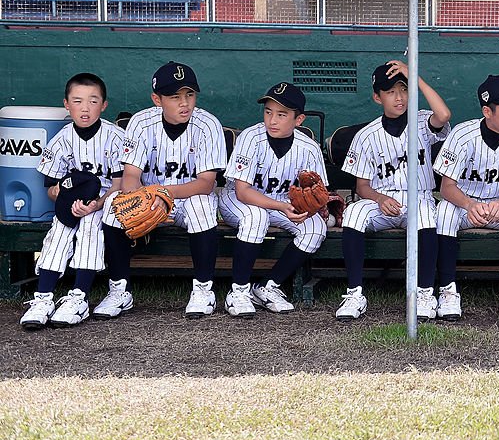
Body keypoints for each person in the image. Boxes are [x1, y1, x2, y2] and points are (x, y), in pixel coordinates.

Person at [96, 62, 227, 320]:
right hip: (149, 198)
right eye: (174, 97)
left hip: (188, 198)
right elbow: (131, 176)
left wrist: (163, 194)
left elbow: (206, 183)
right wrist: (139, 198)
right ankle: (119, 290)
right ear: (157, 99)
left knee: (203, 207)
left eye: (190, 95)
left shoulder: (208, 124)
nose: (184, 103)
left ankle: (203, 290)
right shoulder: (140, 122)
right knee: (113, 208)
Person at [336, 61, 451, 321]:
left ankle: (424, 292)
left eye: (404, 89)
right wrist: (379, 198)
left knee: (424, 213)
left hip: (419, 196)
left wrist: (414, 76)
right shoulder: (365, 136)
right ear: (377, 97)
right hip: (382, 200)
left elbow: (443, 115)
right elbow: (361, 186)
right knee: (354, 212)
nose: (399, 97)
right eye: (390, 91)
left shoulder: (422, 121)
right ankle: (354, 293)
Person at [19, 73, 125, 329]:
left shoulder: (115, 136)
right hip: (72, 202)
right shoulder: (61, 139)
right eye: (78, 101)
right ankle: (43, 298)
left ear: (104, 104)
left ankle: (79, 297)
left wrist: (96, 203)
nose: (85, 108)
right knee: (60, 230)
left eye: (93, 101)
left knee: (89, 226)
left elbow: (121, 184)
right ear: (67, 104)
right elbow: (51, 190)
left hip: (106, 201)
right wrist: (67, 199)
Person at [432, 74, 499, 321]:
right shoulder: (462, 135)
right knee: (443, 212)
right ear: (487, 111)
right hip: (465, 204)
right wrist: (470, 205)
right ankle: (448, 290)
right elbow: (446, 187)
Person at [217, 82, 328, 317]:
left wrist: (311, 206)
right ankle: (238, 291)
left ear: (299, 120)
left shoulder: (308, 148)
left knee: (315, 228)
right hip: (238, 200)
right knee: (255, 217)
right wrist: (283, 206)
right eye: (268, 112)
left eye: (281, 114)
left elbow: (318, 192)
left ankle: (268, 286)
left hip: (281, 203)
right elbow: (242, 191)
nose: (272, 120)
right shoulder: (250, 137)